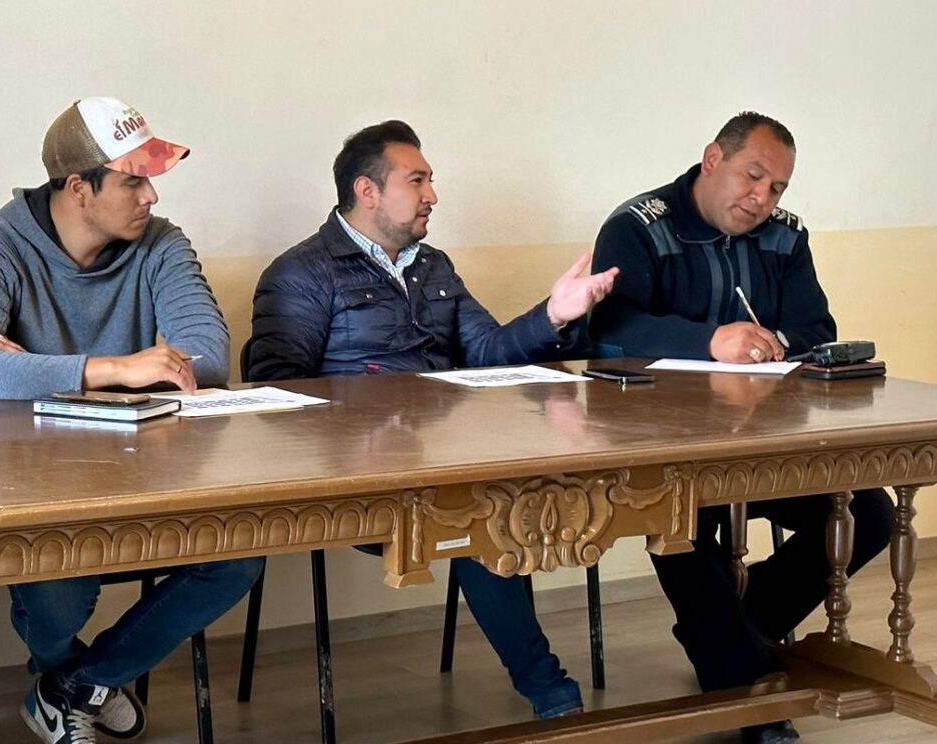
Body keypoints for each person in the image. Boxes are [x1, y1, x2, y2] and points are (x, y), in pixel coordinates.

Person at [246, 120, 619, 718]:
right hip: (358, 478)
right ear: (368, 191)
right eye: (417, 181)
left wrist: (553, 315)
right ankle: (550, 691)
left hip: (448, 462)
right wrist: (367, 429)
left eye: (430, 181)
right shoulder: (302, 272)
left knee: (506, 499)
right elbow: (277, 393)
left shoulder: (434, 267)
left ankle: (552, 691)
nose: (433, 195)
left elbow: (489, 352)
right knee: (482, 516)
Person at [0, 96, 263, 744]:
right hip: (35, 485)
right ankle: (80, 683)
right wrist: (116, 369)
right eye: (133, 181)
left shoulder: (162, 243)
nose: (151, 197)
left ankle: (72, 686)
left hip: (148, 470)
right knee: (61, 587)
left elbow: (207, 357)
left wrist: (39, 374)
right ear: (79, 187)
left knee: (241, 554)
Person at [588, 111, 894, 744]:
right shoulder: (638, 226)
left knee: (868, 514)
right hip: (666, 444)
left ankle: (737, 631)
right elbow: (611, 329)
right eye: (752, 177)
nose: (762, 199)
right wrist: (710, 342)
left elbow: (818, 328)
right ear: (712, 159)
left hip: (765, 439)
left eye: (777, 187)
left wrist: (770, 338)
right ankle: (747, 687)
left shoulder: (786, 237)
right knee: (682, 524)